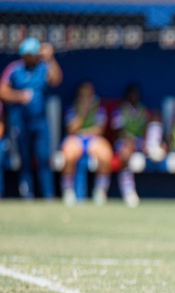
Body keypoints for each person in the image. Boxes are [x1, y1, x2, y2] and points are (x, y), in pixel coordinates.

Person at [0, 37, 62, 199]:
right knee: (25, 158)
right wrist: (20, 96)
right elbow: (2, 91)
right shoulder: (14, 69)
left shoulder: (43, 67)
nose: (27, 57)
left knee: (43, 158)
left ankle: (48, 195)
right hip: (20, 120)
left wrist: (50, 58)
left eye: (31, 54)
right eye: (25, 54)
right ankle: (27, 194)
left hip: (40, 121)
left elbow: (55, 79)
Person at [111, 83, 165, 207]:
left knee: (156, 116)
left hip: (140, 143)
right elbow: (120, 132)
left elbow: (146, 129)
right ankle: (128, 190)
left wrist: (146, 142)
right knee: (125, 152)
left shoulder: (143, 110)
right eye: (131, 94)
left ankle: (153, 147)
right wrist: (136, 141)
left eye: (135, 94)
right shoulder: (120, 110)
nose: (133, 97)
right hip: (124, 142)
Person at [60, 81, 113, 206]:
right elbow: (71, 129)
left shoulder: (98, 107)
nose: (86, 96)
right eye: (83, 94)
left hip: (93, 139)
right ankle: (68, 191)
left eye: (88, 93)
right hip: (75, 138)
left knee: (105, 154)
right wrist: (82, 113)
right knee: (68, 154)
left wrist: (84, 130)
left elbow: (99, 129)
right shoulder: (72, 107)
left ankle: (100, 191)